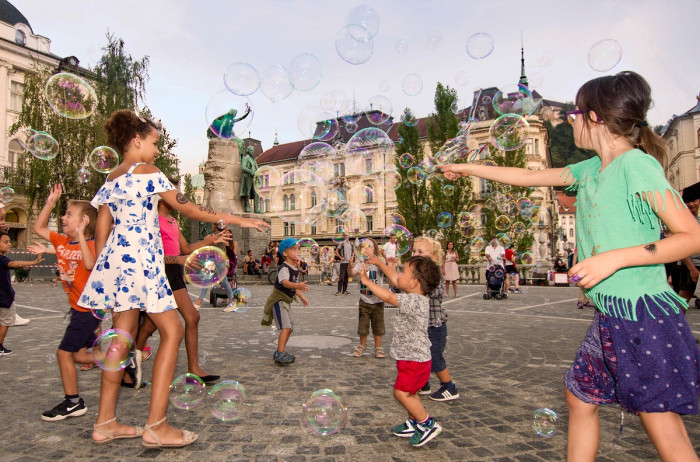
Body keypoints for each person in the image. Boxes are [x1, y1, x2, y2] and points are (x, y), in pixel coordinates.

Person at [439, 71, 700, 460]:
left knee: (662, 426)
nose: (572, 119)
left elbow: (691, 235)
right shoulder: (589, 170)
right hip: (612, 315)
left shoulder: (636, 166)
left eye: (577, 112)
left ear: (595, 118)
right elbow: (526, 177)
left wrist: (615, 258)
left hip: (643, 316)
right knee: (579, 395)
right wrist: (466, 168)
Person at [77, 110, 268, 448]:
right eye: (153, 143)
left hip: (118, 265)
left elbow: (102, 229)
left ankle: (105, 422)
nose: (155, 151)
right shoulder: (147, 171)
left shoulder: (112, 177)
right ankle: (156, 426)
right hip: (142, 261)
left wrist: (105, 268)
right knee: (173, 329)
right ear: (136, 140)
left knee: (121, 339)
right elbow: (190, 209)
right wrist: (241, 221)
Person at [131, 183, 231, 385]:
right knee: (189, 316)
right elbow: (150, 256)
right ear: (159, 196)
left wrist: (212, 239)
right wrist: (178, 261)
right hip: (159, 273)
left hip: (173, 272)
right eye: (174, 193)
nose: (179, 198)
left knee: (151, 324)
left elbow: (185, 248)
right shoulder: (151, 221)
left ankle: (192, 369)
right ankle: (129, 365)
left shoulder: (172, 222)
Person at [32, 184, 102, 421]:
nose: (62, 217)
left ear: (83, 221)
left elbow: (91, 264)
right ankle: (123, 359)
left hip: (88, 308)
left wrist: (82, 235)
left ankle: (73, 402)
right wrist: (50, 202)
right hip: (76, 308)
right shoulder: (61, 242)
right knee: (79, 355)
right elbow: (38, 227)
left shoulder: (92, 244)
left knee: (63, 353)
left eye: (68, 214)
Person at [358, 254, 443, 447]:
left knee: (401, 393)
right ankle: (414, 423)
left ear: (413, 282)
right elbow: (396, 279)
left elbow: (388, 296)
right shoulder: (415, 294)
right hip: (409, 357)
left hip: (414, 359)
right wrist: (379, 263)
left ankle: (427, 424)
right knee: (410, 392)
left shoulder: (415, 301)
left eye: (404, 271)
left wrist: (365, 281)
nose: (398, 275)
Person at [261, 238, 309, 365]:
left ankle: (280, 351)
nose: (297, 251)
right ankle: (280, 352)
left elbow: (293, 285)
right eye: (294, 249)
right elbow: (285, 283)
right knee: (286, 327)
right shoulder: (284, 268)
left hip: (285, 302)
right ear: (285, 253)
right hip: (278, 301)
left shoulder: (294, 267)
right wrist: (297, 286)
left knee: (290, 327)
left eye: (297, 249)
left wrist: (301, 296)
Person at [0, 230, 44, 356]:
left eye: (9, 241)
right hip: (4, 297)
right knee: (5, 322)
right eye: (5, 242)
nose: (9, 244)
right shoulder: (2, 259)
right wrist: (33, 262)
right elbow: (12, 264)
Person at [348, 238, 385, 358]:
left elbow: (388, 272)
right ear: (360, 250)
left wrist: (386, 262)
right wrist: (349, 266)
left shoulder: (378, 264)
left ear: (375, 250)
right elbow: (352, 274)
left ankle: (378, 347)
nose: (367, 249)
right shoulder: (360, 264)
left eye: (370, 246)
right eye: (364, 247)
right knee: (363, 326)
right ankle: (362, 345)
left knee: (378, 325)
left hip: (378, 300)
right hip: (364, 300)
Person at [675, 183, 700, 304]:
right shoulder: (682, 220)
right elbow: (680, 247)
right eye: (688, 202)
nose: (692, 204)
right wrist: (692, 269)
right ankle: (677, 323)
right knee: (683, 301)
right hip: (690, 265)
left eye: (694, 200)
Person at [240, 146, 261, 213]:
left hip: (254, 178)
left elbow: (256, 169)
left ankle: (256, 208)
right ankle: (247, 206)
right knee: (247, 192)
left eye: (253, 150)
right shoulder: (246, 158)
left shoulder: (254, 160)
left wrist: (259, 178)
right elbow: (243, 167)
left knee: (256, 193)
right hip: (248, 177)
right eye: (251, 150)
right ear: (248, 151)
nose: (252, 152)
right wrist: (250, 171)